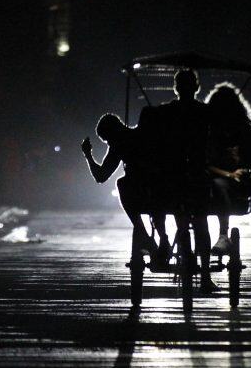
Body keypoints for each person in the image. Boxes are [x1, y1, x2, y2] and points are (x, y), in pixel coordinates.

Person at [155, 69, 216, 293]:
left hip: (175, 174)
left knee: (184, 220)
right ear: (196, 88)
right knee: (201, 224)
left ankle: (178, 247)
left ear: (176, 87)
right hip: (196, 174)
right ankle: (206, 274)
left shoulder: (166, 112)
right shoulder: (206, 112)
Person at [81, 113, 166, 260]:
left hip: (146, 190)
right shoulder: (145, 135)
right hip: (163, 187)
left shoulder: (119, 143)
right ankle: (161, 238)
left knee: (122, 183)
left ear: (112, 132)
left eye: (108, 140)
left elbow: (101, 176)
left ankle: (144, 234)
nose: (109, 144)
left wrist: (88, 155)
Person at [204, 82, 251, 255]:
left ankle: (223, 234)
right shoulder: (208, 128)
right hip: (208, 175)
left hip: (231, 181)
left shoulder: (242, 130)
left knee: (220, 185)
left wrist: (245, 172)